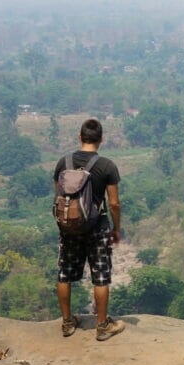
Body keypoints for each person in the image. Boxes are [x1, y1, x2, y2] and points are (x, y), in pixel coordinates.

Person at [53, 118, 125, 341]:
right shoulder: (107, 166)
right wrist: (116, 228)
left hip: (69, 228)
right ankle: (102, 326)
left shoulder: (63, 163)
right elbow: (114, 203)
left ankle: (67, 322)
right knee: (100, 277)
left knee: (65, 274)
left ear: (80, 137)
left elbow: (58, 196)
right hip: (98, 227)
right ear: (101, 139)